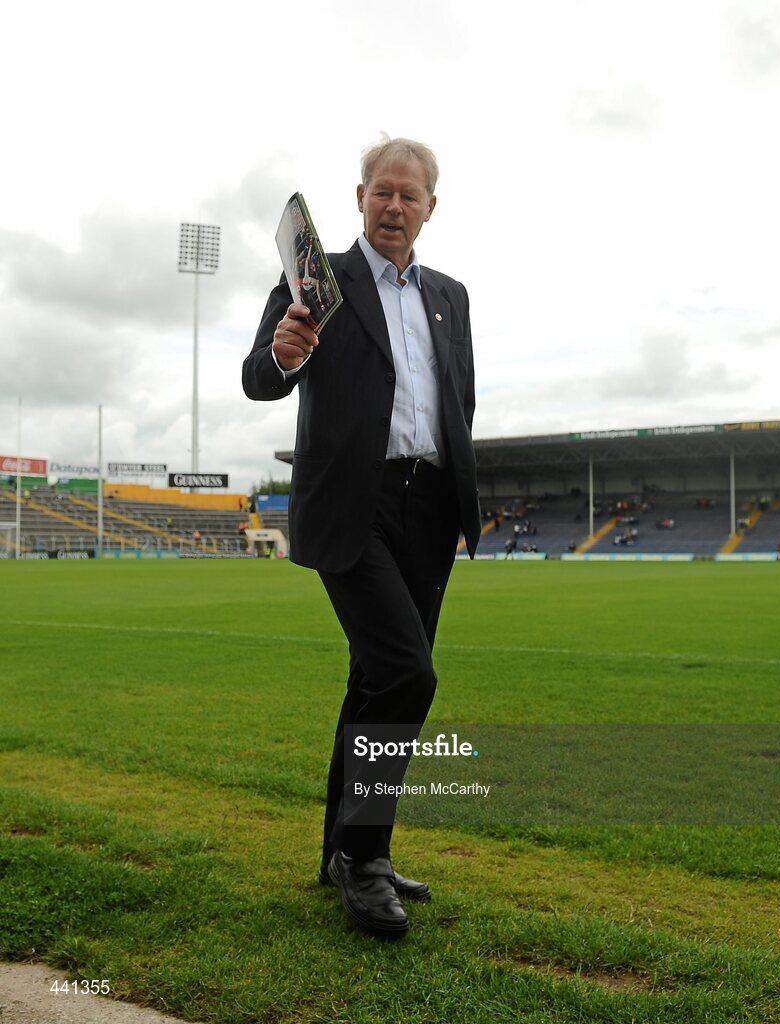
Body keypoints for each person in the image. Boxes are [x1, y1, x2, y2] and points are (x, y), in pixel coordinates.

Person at [242, 135, 480, 939]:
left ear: (430, 208)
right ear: (360, 196)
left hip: (429, 508)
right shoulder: (318, 279)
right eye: (383, 191)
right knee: (410, 675)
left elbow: (458, 404)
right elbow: (259, 375)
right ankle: (365, 857)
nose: (394, 206)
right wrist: (282, 352)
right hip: (352, 504)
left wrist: (457, 499)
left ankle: (335, 852)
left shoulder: (451, 296)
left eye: (410, 196)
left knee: (373, 684)